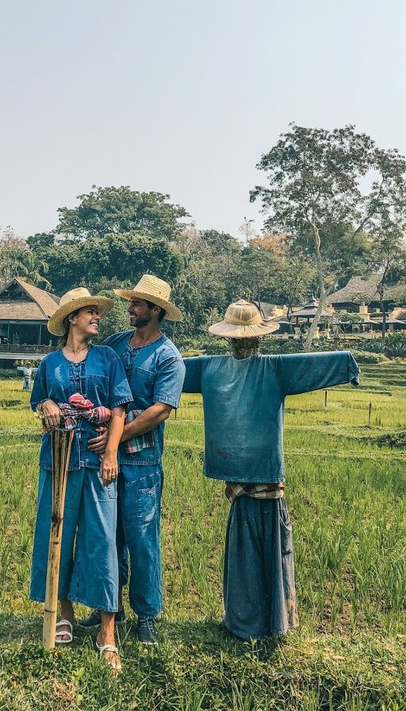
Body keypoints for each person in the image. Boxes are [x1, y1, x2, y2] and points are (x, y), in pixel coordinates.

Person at [182, 299, 360, 641]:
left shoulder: (211, 368)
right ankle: (270, 623)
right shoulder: (270, 367)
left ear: (228, 337)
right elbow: (322, 364)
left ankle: (248, 622)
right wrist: (348, 365)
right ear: (256, 337)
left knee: (247, 555)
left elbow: (167, 369)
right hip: (259, 482)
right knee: (272, 553)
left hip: (248, 482)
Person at [29, 287, 133, 672]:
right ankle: (64, 612)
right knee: (55, 534)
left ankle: (107, 631)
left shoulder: (107, 358)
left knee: (102, 541)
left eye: (97, 313)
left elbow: (120, 408)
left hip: (95, 463)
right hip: (57, 462)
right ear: (72, 318)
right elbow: (38, 401)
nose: (97, 317)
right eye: (90, 312)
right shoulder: (49, 364)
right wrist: (48, 404)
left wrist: (110, 455)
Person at [79, 274, 185, 644]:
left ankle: (147, 615)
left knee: (142, 541)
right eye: (131, 302)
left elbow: (160, 410)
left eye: (138, 304)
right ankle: (109, 606)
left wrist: (115, 435)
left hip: (142, 464)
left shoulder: (168, 357)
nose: (130, 308)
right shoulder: (114, 344)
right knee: (106, 536)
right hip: (102, 460)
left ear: (155, 311)